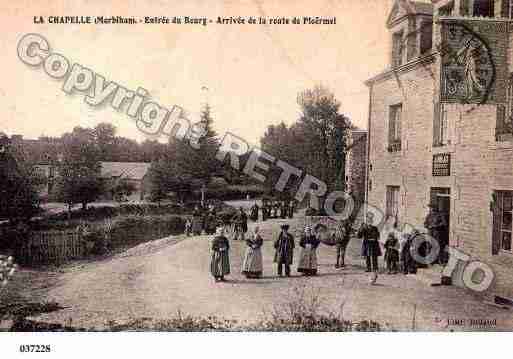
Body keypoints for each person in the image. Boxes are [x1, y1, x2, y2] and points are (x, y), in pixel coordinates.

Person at [357, 212, 382, 284]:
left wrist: (375, 238)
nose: (370, 221)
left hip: (374, 243)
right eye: (368, 220)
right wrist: (361, 228)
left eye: (371, 220)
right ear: (367, 221)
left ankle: (375, 268)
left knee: (374, 256)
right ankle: (368, 267)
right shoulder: (364, 228)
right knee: (367, 256)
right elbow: (359, 236)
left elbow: (378, 235)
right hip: (367, 243)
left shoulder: (375, 228)